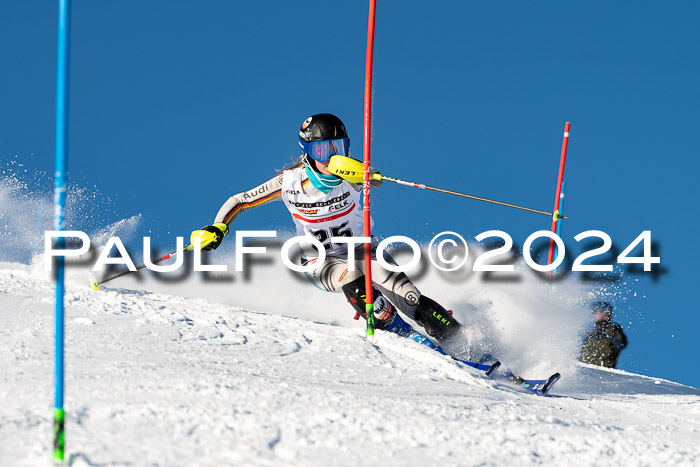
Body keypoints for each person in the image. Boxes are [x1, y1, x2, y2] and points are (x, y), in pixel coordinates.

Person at [193, 113, 465, 351]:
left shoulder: (351, 177)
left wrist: (369, 176)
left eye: (338, 148)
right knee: (352, 277)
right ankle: (396, 329)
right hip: (319, 260)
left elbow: (371, 176)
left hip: (362, 249)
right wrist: (219, 226)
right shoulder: (289, 183)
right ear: (308, 152)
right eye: (323, 151)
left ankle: (463, 341)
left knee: (410, 298)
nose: (331, 158)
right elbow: (241, 200)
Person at [579, 301, 628, 368]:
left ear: (609, 315)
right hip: (584, 368)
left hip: (603, 370)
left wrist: (609, 335)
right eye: (598, 312)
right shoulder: (590, 333)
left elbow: (621, 344)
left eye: (605, 312)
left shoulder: (613, 330)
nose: (601, 315)